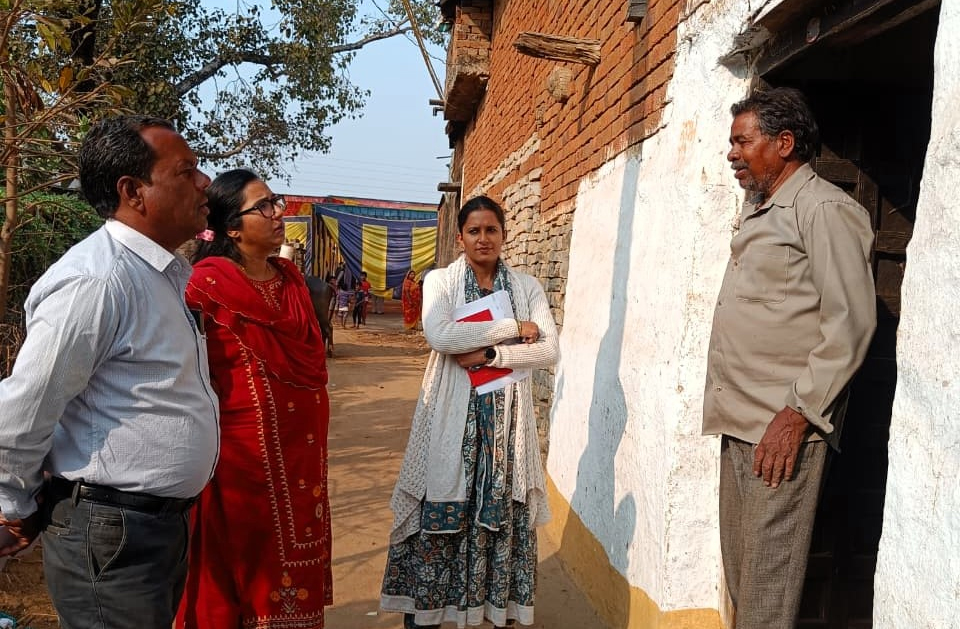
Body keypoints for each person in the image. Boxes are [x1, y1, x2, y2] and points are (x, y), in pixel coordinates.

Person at [0, 115, 220, 629]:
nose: (204, 181)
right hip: (110, 533)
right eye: (186, 171)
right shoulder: (97, 281)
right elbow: (26, 407)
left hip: (151, 528)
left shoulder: (160, 274)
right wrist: (13, 503)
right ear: (133, 191)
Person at [702, 87, 876, 628]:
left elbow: (850, 323)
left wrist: (797, 415)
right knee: (744, 579)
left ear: (784, 143)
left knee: (767, 593)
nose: (732, 153)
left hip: (782, 428)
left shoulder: (824, 209)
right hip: (739, 422)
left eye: (742, 141)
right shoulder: (761, 211)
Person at [381, 195, 559, 628]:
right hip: (451, 418)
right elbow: (441, 335)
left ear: (503, 234)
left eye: (491, 230)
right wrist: (513, 329)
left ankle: (488, 612)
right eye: (474, 231)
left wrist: (492, 355)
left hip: (506, 427)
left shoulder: (527, 287)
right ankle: (426, 616)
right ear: (460, 238)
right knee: (440, 508)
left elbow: (549, 350)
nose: (483, 238)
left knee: (501, 515)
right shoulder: (441, 282)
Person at [175, 169, 332, 628]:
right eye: (263, 207)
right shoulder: (204, 286)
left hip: (303, 458)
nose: (278, 213)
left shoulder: (292, 282)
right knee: (238, 572)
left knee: (296, 561)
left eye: (275, 202)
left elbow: (312, 361)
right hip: (239, 463)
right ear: (232, 228)